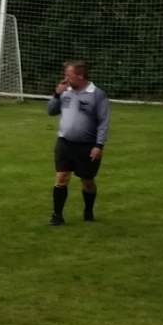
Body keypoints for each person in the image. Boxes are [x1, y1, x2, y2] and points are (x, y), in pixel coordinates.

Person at [47, 59, 109, 226]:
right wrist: (56, 94)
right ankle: (57, 216)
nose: (65, 78)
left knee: (87, 182)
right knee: (61, 178)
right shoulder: (65, 91)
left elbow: (103, 122)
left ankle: (88, 211)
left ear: (80, 75)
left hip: (87, 145)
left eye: (69, 75)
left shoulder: (97, 95)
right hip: (65, 143)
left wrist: (99, 145)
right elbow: (51, 111)